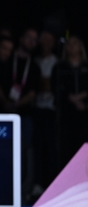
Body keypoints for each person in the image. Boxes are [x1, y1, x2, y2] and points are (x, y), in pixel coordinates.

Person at [0, 28, 41, 202]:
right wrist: (6, 102)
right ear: (21, 38)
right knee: (1, 151)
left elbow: (33, 93)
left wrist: (16, 105)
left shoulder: (34, 66)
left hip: (24, 115)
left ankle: (22, 191)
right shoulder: (7, 61)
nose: (31, 41)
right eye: (29, 37)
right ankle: (0, 188)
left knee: (24, 152)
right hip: (3, 113)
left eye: (35, 39)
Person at [53, 36, 88, 173]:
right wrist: (71, 97)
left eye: (75, 44)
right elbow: (56, 88)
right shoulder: (60, 67)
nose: (72, 47)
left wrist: (82, 98)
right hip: (66, 115)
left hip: (84, 113)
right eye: (69, 44)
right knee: (66, 148)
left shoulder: (86, 66)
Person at [33, 30, 59, 191]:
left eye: (50, 40)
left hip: (51, 110)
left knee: (51, 147)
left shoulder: (56, 61)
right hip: (36, 108)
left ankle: (51, 185)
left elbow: (51, 85)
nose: (46, 43)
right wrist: (42, 83)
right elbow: (36, 84)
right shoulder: (35, 61)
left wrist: (43, 83)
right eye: (44, 40)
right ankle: (37, 184)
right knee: (37, 147)